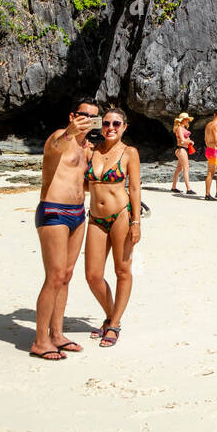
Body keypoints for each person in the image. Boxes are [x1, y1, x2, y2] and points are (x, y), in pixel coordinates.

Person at [31, 98, 101, 361]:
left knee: (67, 275)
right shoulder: (59, 137)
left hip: (77, 214)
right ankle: (40, 341)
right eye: (84, 115)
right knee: (55, 275)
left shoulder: (86, 148)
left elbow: (81, 184)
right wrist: (71, 130)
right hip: (54, 211)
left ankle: (57, 334)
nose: (88, 120)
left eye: (94, 117)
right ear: (73, 115)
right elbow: (57, 145)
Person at [83, 107, 143, 348]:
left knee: (122, 271)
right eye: (106, 123)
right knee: (93, 275)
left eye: (116, 124)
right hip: (96, 218)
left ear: (124, 127)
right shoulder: (91, 151)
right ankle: (110, 315)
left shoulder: (129, 153)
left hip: (121, 216)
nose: (110, 128)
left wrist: (136, 222)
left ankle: (115, 323)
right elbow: (86, 185)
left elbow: (136, 188)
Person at [171, 112, 195, 194]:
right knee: (186, 168)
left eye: (187, 119)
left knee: (179, 169)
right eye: (186, 119)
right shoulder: (180, 128)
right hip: (181, 149)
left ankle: (173, 187)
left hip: (182, 149)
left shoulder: (182, 128)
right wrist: (190, 142)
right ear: (182, 120)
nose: (187, 120)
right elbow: (182, 140)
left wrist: (189, 142)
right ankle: (188, 189)